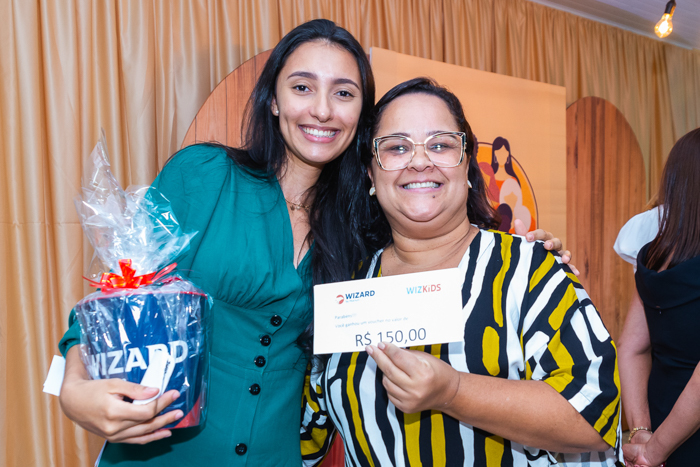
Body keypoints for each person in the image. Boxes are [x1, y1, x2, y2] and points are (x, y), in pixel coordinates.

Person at [57, 20, 567, 465]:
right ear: (274, 99)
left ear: (361, 115)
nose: (322, 110)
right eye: (302, 87)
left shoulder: (364, 227)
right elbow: (117, 292)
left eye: (344, 93)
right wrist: (73, 387)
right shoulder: (203, 175)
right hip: (162, 451)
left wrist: (528, 254)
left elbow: (439, 242)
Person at [301, 78, 621, 466]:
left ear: (467, 164)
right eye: (397, 147)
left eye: (441, 145)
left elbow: (596, 414)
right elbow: (304, 436)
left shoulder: (527, 269)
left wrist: (453, 391)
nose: (420, 161)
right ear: (371, 172)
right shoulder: (346, 290)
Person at [618, 128, 700, 467]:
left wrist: (641, 432)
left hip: (660, 423)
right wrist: (653, 451)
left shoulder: (651, 258)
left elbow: (631, 348)